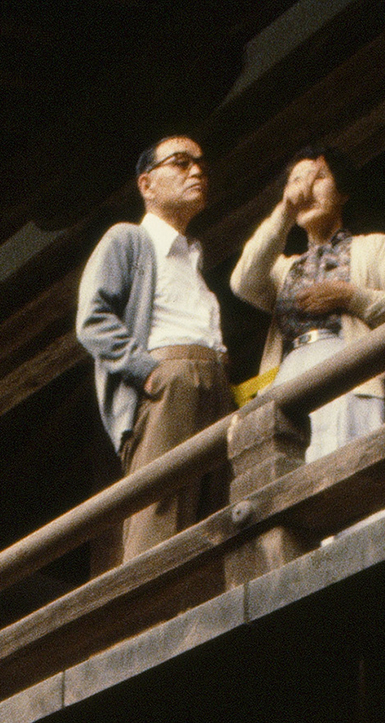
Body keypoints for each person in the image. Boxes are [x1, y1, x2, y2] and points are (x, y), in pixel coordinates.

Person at [76, 136, 231, 563]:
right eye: (181, 163)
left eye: (201, 164)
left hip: (213, 383)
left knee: (213, 513)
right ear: (147, 184)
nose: (196, 171)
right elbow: (92, 320)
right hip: (167, 382)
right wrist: (149, 372)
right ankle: (150, 616)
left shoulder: (192, 258)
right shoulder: (128, 240)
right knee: (159, 516)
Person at [230, 147, 385, 460]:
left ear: (342, 192)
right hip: (289, 378)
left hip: (351, 373)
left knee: (351, 467)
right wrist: (283, 212)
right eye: (297, 182)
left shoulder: (374, 246)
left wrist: (352, 297)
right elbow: (242, 282)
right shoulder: (283, 269)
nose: (306, 189)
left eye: (318, 178)